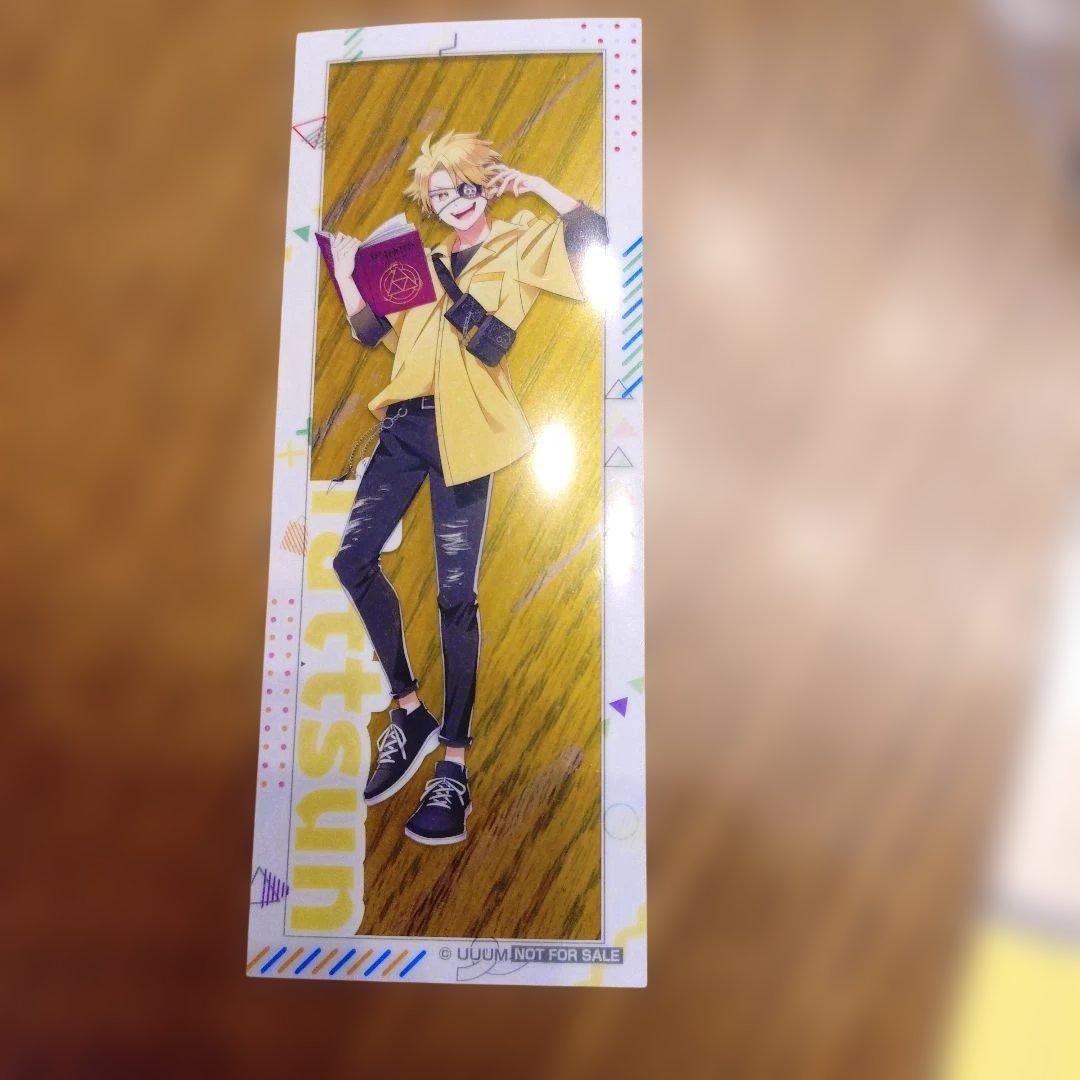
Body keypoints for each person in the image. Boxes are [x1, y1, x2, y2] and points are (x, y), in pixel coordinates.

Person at [329, 131, 606, 845]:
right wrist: (349, 272)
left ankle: (452, 766)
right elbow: (373, 334)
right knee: (350, 559)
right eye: (440, 192)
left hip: (470, 429)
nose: (453, 201)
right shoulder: (415, 262)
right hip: (405, 425)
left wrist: (537, 185)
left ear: (486, 183)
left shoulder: (518, 242)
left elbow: (595, 244)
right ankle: (409, 710)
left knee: (456, 595)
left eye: (464, 186)